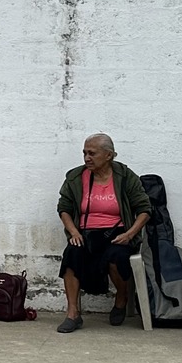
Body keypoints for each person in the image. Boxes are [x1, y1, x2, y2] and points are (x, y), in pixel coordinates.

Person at [54, 134, 150, 333]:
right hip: (86, 233)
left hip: (118, 233)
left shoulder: (125, 176)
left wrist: (130, 234)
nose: (87, 158)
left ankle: (122, 298)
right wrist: (73, 232)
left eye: (92, 153)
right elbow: (64, 208)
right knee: (72, 254)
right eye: (84, 153)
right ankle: (73, 313)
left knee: (117, 256)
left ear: (108, 155)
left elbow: (145, 210)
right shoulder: (75, 177)